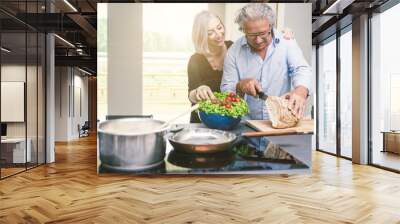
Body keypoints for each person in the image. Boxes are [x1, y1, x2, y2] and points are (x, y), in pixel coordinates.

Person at [188, 10, 295, 123]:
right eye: (210, 33)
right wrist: (197, 92)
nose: (219, 34)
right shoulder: (195, 60)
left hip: (230, 120)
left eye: (219, 28)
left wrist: (279, 36)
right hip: (204, 120)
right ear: (202, 36)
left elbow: (260, 48)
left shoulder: (235, 49)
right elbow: (191, 95)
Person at [220, 3, 312, 120]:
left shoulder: (286, 42)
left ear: (271, 26)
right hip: (246, 126)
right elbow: (226, 92)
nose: (258, 40)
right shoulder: (233, 52)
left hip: (281, 124)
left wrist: (301, 91)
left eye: (263, 33)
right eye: (252, 35)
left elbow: (301, 69)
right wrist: (240, 86)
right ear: (243, 30)